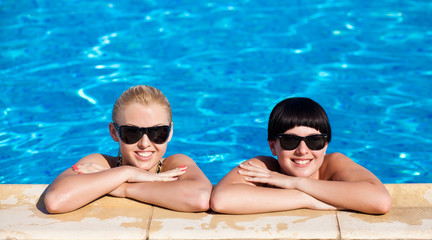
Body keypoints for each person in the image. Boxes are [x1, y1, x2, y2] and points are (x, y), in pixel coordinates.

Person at [44, 85, 212, 213]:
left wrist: (124, 188)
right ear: (114, 132)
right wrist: (127, 173)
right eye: (132, 132)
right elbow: (55, 201)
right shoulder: (99, 162)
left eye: (157, 132)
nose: (145, 143)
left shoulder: (176, 164)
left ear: (170, 132)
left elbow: (201, 198)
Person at [210, 97, 391, 214]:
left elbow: (380, 201)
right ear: (273, 146)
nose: (303, 150)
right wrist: (307, 200)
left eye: (315, 141)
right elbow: (221, 200)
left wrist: (296, 183)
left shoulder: (334, 163)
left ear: (325, 145)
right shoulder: (264, 167)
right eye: (290, 140)